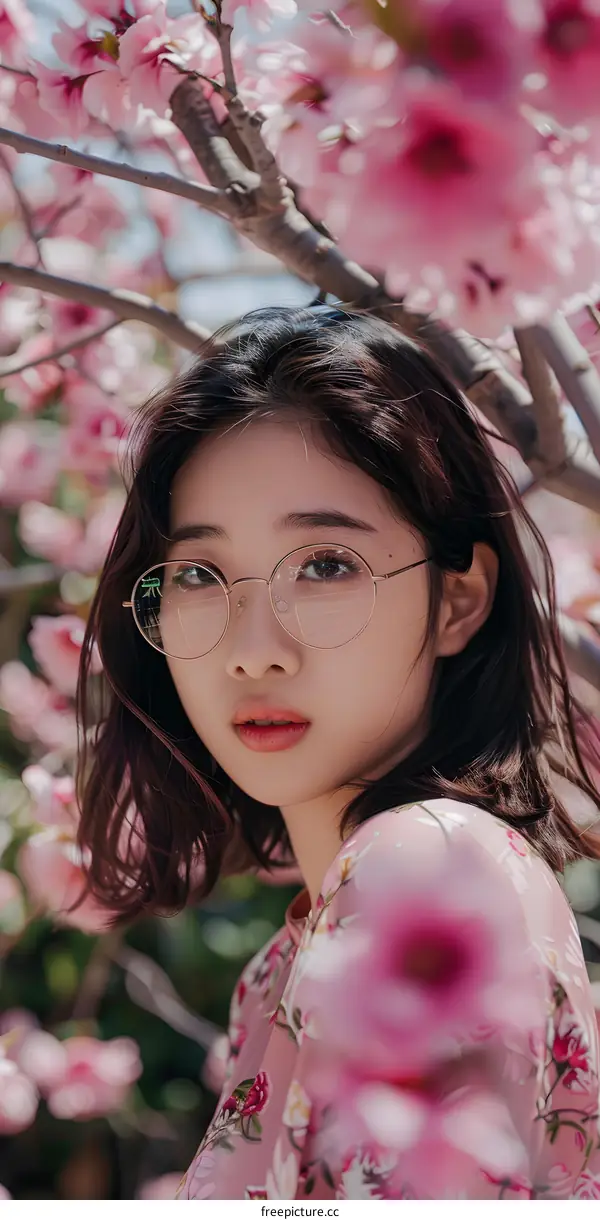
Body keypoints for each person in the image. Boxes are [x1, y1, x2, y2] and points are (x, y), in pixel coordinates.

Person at [76, 305, 600, 1200]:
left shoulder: (424, 873)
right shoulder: (281, 967)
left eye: (323, 564)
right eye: (201, 575)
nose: (253, 648)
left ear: (458, 600)